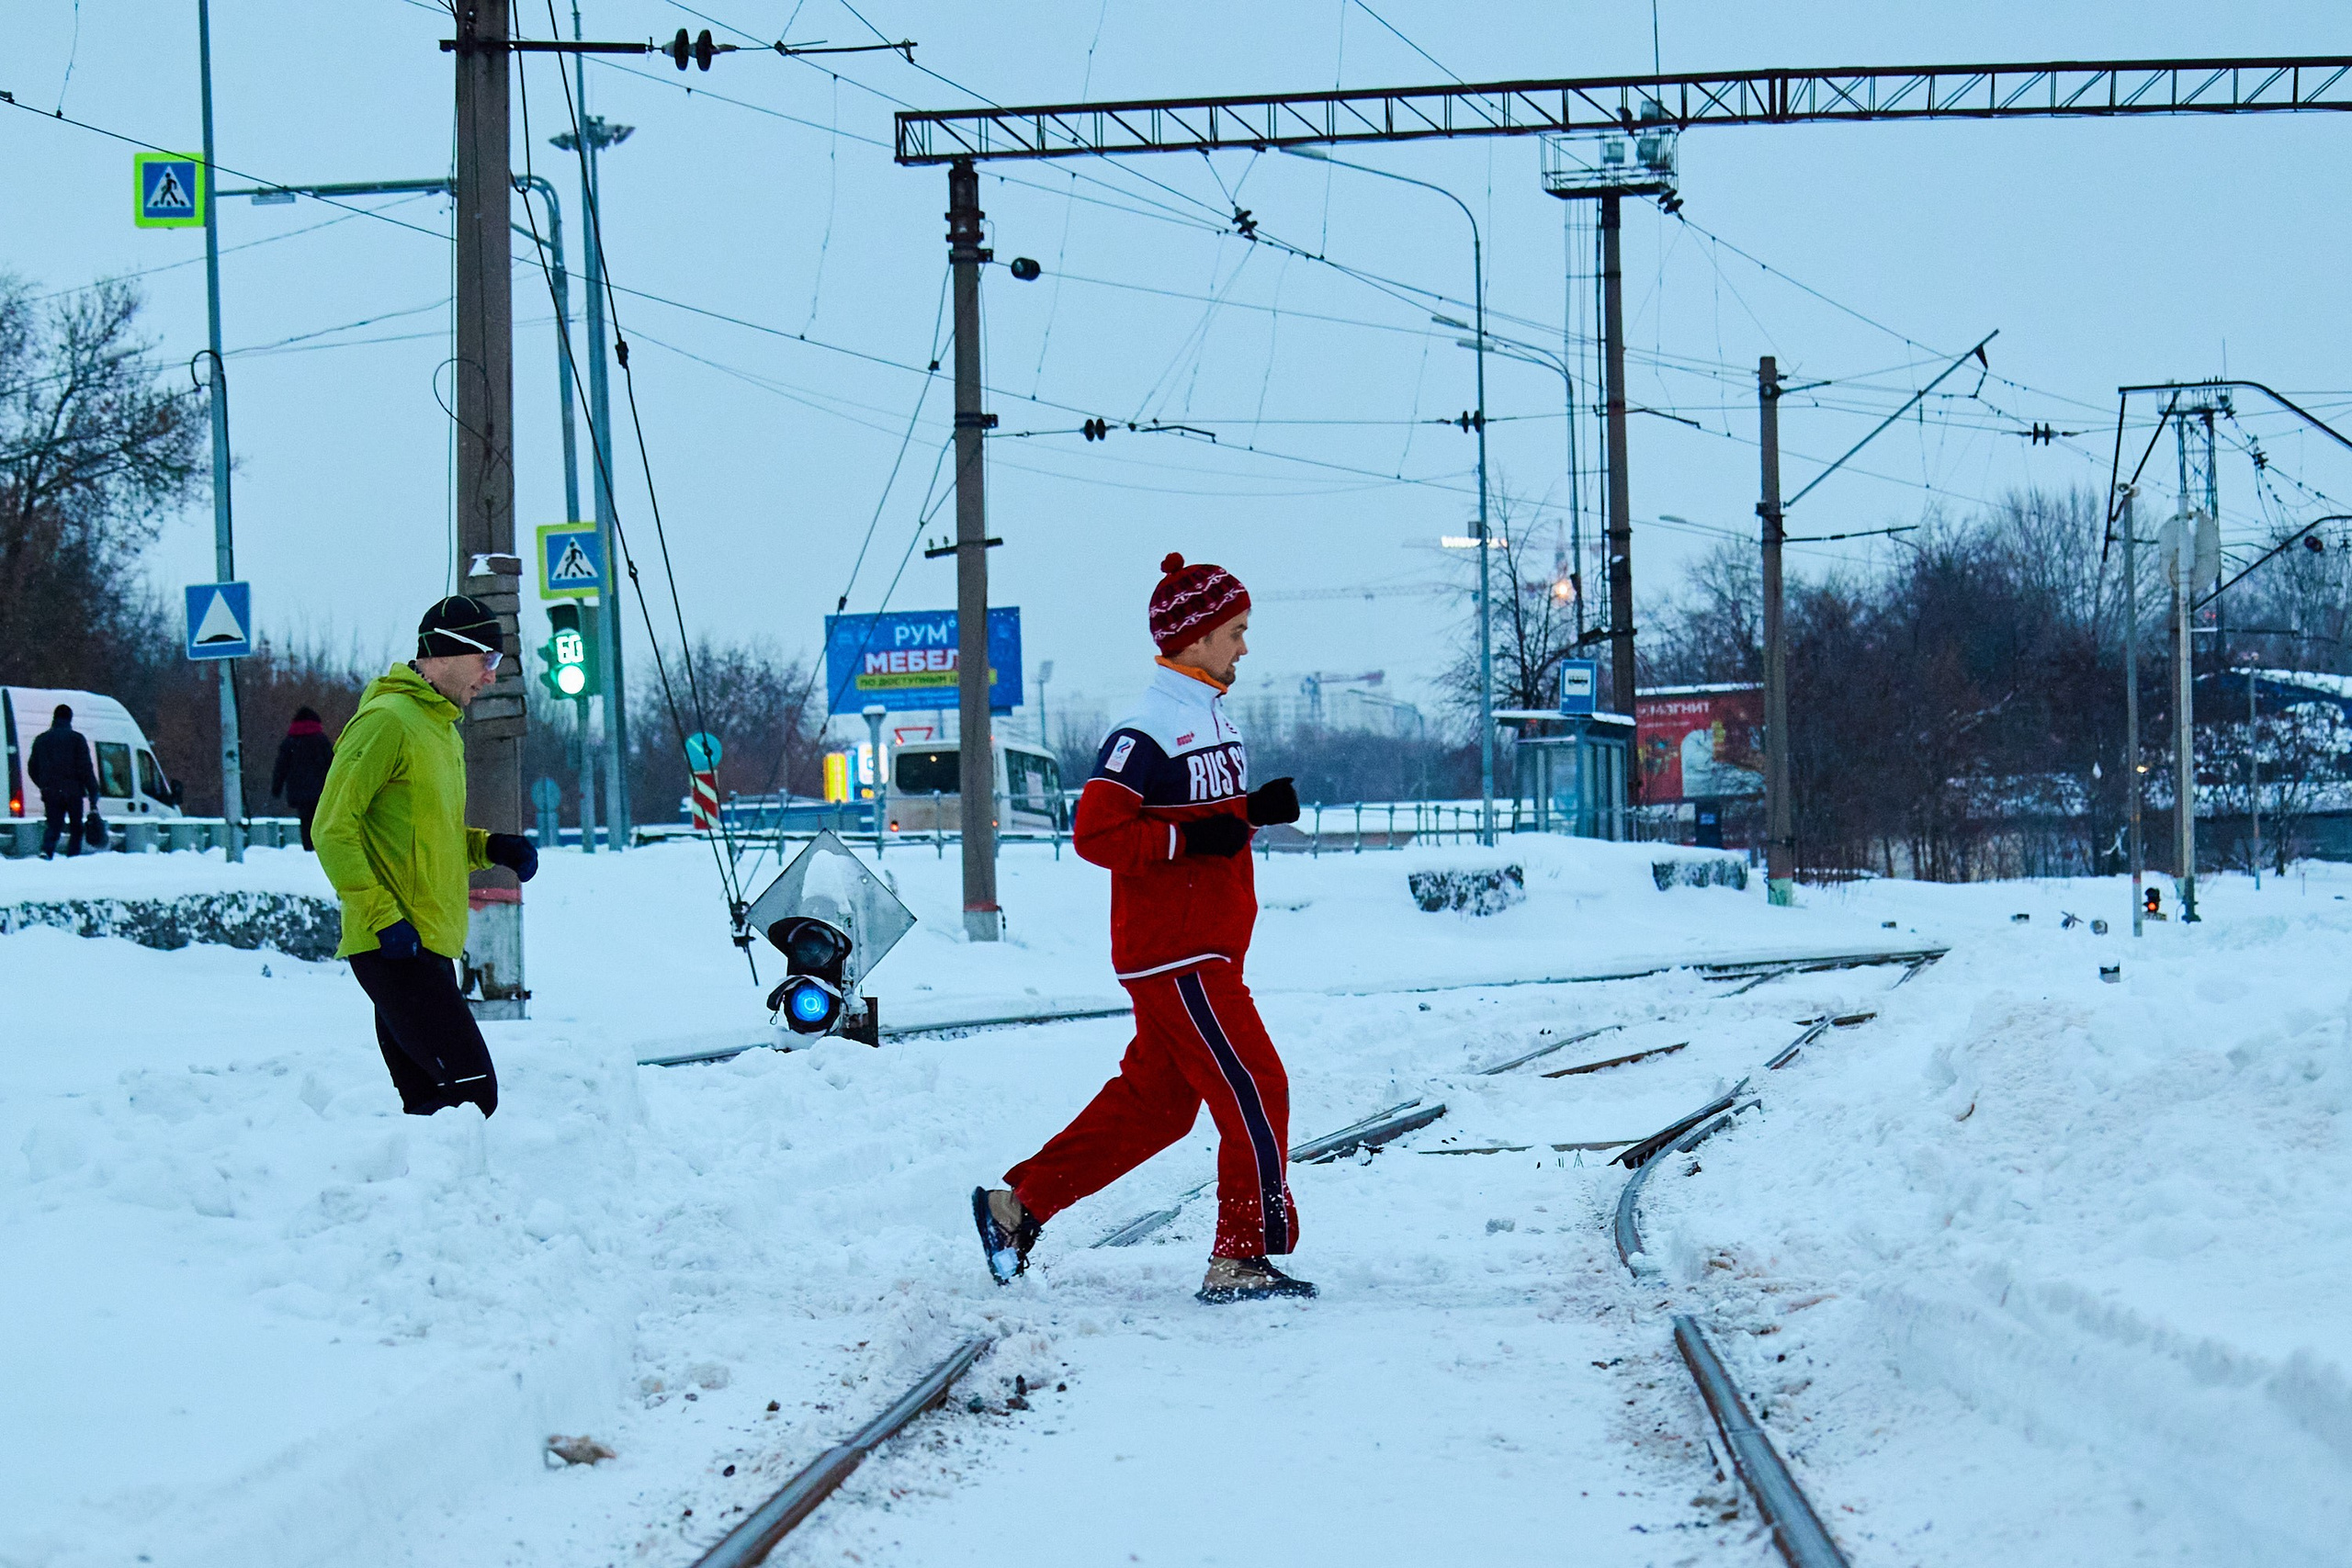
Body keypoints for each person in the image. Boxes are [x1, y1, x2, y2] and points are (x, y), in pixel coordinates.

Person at [974, 553, 1309, 1305]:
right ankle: (1241, 1255)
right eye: (1234, 633)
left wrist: (1251, 810)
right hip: (1179, 955)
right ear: (1193, 640)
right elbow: (1096, 832)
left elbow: (1199, 823)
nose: (1244, 648)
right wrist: (1191, 842)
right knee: (1258, 1084)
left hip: (1203, 945)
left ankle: (1015, 1209)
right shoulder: (1145, 728)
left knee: (1156, 1107)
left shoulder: (1209, 714)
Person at [312, 596, 539, 1117]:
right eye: (487, 660)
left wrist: (490, 846)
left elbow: (425, 835)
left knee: (435, 1106)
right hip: (395, 947)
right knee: (472, 1092)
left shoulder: (439, 729)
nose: (491, 677)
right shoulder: (387, 720)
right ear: (446, 652)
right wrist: (382, 917)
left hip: (430, 945)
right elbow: (331, 827)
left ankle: (427, 1198)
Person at [28, 705, 100, 861]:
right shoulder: (77, 739)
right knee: (76, 826)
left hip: (51, 791)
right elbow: (85, 767)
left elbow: (32, 767)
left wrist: (43, 784)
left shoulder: (41, 740)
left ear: (54, 718)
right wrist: (93, 791)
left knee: (53, 825)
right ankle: (72, 857)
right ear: (70, 718)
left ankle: (47, 852)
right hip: (74, 791)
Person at [271, 705, 335, 851]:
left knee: (305, 819)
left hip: (298, 791)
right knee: (320, 819)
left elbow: (281, 766)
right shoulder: (321, 741)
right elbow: (333, 765)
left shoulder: (290, 742)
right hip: (321, 790)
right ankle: (319, 847)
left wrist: (277, 787)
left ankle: (308, 847)